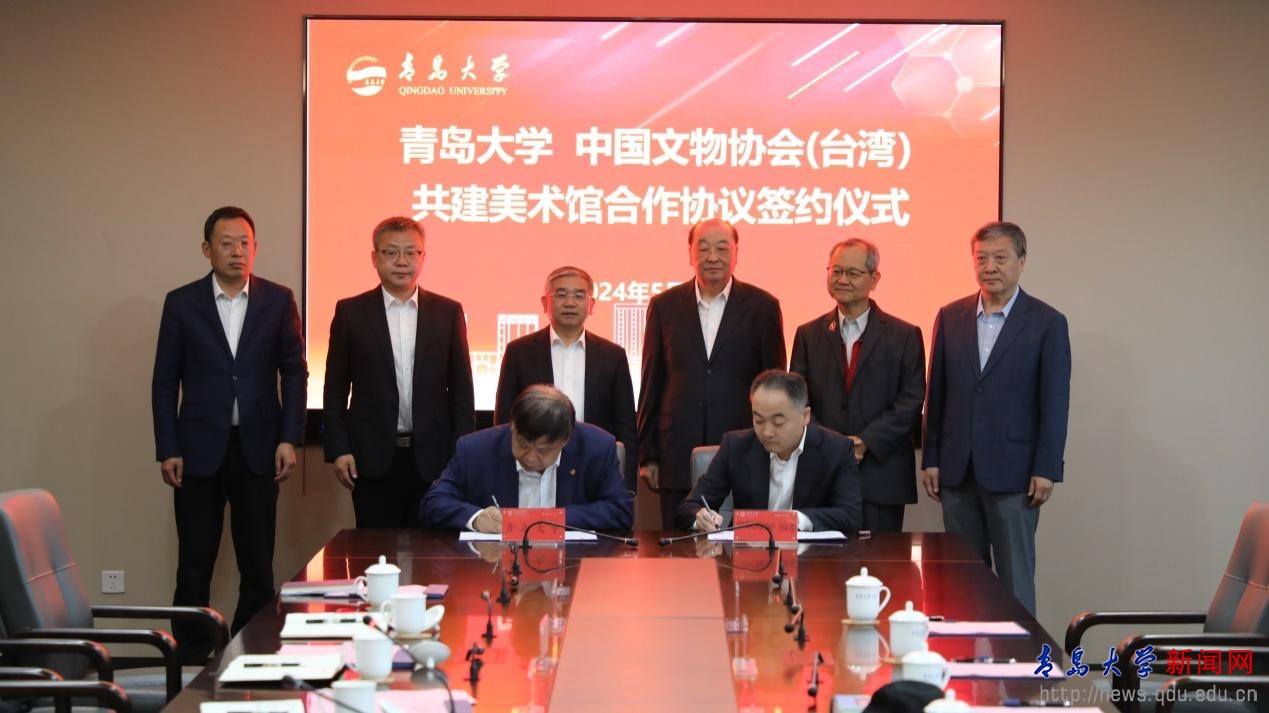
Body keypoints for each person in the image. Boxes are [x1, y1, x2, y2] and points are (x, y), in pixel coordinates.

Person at [151, 206, 307, 659]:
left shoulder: (278, 300)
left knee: (257, 563)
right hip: (197, 451)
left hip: (259, 449)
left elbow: (294, 373)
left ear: (255, 248)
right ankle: (190, 657)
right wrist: (168, 447)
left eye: (245, 243)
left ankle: (249, 650)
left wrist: (289, 437)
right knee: (194, 562)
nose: (238, 251)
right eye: (227, 243)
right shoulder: (182, 303)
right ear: (207, 249)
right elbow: (165, 381)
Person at [921, 221, 1071, 615]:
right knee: (962, 579)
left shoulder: (1047, 322)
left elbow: (1055, 402)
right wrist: (931, 457)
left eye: (1000, 258)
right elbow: (937, 393)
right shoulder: (950, 316)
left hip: (1015, 474)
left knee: (1015, 580)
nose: (989, 267)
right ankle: (966, 651)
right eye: (981, 258)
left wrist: (1046, 468)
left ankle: (1019, 654)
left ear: (1022, 261)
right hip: (957, 470)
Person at [323, 216, 475, 528]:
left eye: (410, 252)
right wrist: (339, 449)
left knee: (434, 548)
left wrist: (462, 453)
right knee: (375, 547)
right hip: (371, 456)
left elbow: (462, 390)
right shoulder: (351, 312)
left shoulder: (448, 312)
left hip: (434, 458)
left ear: (423, 257)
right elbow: (335, 388)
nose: (402, 261)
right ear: (374, 258)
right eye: (391, 252)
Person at [638, 218, 785, 528]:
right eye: (703, 248)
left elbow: (774, 384)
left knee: (742, 542)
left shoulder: (763, 307)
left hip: (744, 449)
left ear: (736, 253)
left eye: (722, 248)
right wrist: (648, 454)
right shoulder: (664, 306)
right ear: (690, 253)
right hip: (677, 450)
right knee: (678, 543)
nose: (712, 257)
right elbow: (652, 380)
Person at [790, 239, 925, 532]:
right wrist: (833, 445)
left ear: (874, 279)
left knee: (881, 559)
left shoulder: (904, 335)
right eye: (836, 271)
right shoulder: (807, 334)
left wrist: (866, 442)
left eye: (852, 273)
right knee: (820, 561)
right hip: (822, 471)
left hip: (881, 474)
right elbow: (798, 401)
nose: (842, 279)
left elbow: (911, 401)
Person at [494, 266, 637, 491]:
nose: (570, 303)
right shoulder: (519, 352)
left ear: (591, 305)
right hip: (534, 465)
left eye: (579, 296)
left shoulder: (613, 356)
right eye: (561, 294)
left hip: (594, 465)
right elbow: (504, 419)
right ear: (545, 303)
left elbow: (625, 425)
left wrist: (626, 485)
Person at [420, 385, 633, 532]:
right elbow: (433, 503)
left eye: (543, 450)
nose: (530, 457)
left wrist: (552, 519)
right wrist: (476, 518)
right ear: (513, 427)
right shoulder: (476, 449)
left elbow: (621, 511)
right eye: (522, 445)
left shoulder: (596, 448)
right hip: (494, 569)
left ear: (565, 440)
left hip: (572, 568)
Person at [675, 370, 862, 533]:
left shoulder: (836, 449)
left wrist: (796, 520)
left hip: (811, 558)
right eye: (758, 420)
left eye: (778, 422)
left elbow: (851, 516)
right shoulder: (735, 446)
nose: (766, 432)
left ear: (805, 416)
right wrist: (700, 516)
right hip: (748, 555)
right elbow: (689, 507)